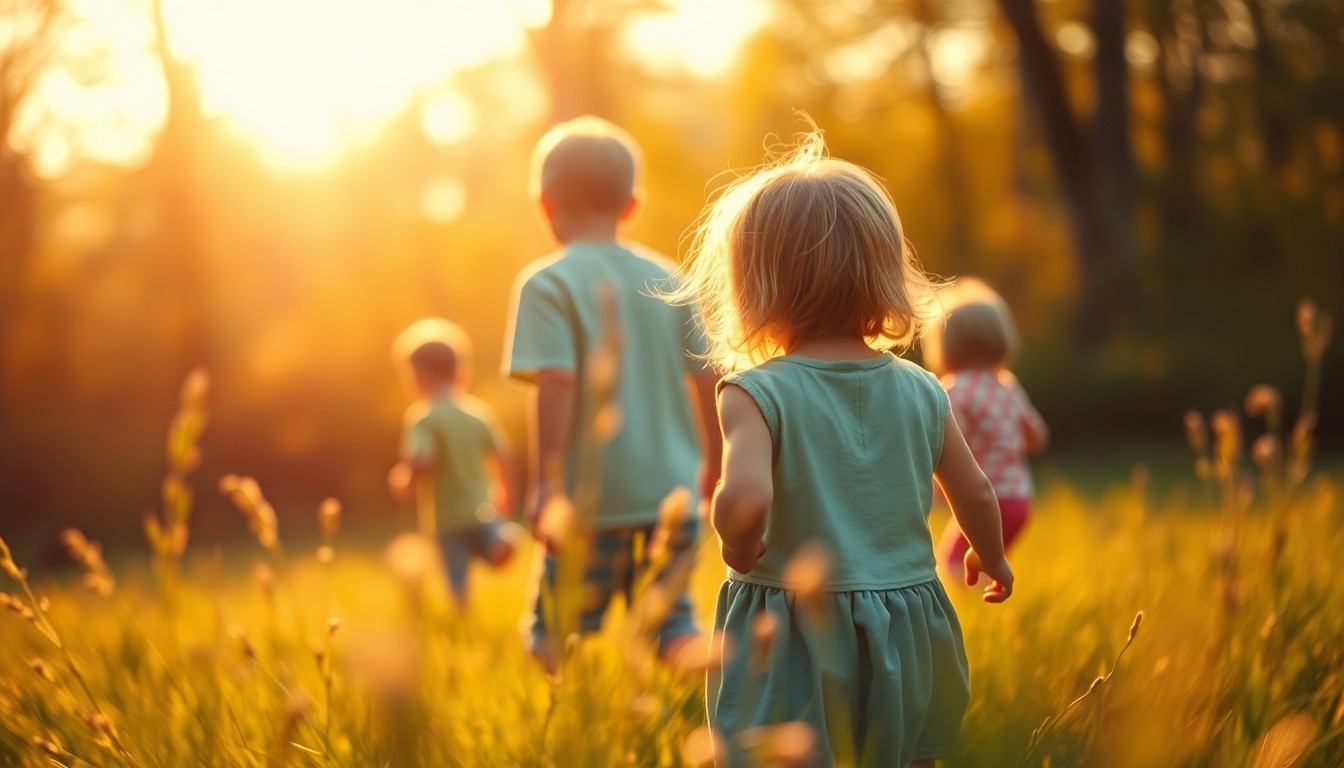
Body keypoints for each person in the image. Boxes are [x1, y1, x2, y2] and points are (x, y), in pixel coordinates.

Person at [667, 131, 1012, 767]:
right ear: (883, 271)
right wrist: (991, 556)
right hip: (907, 621)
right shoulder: (922, 389)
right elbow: (976, 491)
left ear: (752, 284)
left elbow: (741, 497)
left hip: (794, 628)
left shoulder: (754, 393)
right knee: (908, 753)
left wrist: (738, 545)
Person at [502, 116, 721, 667]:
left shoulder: (546, 282)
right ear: (632, 205)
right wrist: (715, 468)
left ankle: (566, 736)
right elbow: (710, 376)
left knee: (553, 633)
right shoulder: (672, 279)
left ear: (544, 205)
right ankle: (711, 695)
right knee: (669, 624)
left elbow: (556, 381)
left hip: (587, 503)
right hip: (673, 494)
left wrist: (548, 487)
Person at [388, 317, 518, 609]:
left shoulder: (423, 417)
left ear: (416, 376)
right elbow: (503, 454)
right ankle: (501, 539)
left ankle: (462, 608)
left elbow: (422, 459)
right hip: (480, 507)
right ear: (461, 372)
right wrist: (508, 493)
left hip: (445, 518)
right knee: (488, 534)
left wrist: (405, 480)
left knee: (457, 576)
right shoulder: (477, 413)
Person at [925, 292, 1049, 583]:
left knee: (953, 561)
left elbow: (952, 445)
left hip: (985, 500)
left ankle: (968, 622)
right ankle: (987, 614)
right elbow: (1038, 438)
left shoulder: (956, 389)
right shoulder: (1008, 387)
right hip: (1020, 501)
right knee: (984, 565)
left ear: (945, 345)